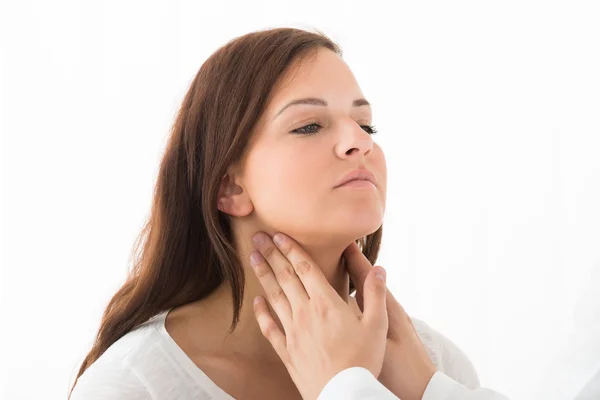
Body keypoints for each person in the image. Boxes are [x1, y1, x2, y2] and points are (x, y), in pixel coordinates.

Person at [68, 27, 508, 399]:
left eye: (366, 124)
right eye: (309, 126)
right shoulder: (134, 385)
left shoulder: (434, 366)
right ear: (230, 185)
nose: (360, 142)